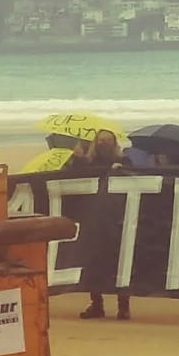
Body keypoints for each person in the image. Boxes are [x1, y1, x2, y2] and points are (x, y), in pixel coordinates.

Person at [74, 128, 134, 323]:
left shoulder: (124, 161)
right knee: (93, 261)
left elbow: (137, 181)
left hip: (117, 219)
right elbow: (73, 179)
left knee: (120, 262)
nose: (104, 144)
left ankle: (123, 306)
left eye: (108, 140)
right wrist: (77, 160)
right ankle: (96, 304)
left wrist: (123, 170)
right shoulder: (88, 162)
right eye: (101, 140)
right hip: (94, 219)